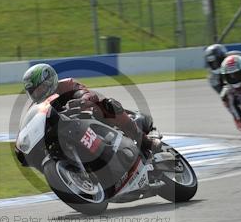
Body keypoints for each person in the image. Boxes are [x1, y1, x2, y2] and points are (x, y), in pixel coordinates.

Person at [20, 63, 162, 157]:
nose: (37, 94)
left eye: (40, 89)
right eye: (33, 92)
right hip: (68, 131)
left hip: (88, 116)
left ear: (49, 81)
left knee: (108, 105)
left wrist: (82, 100)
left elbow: (84, 92)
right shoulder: (38, 107)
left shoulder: (66, 85)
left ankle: (146, 142)